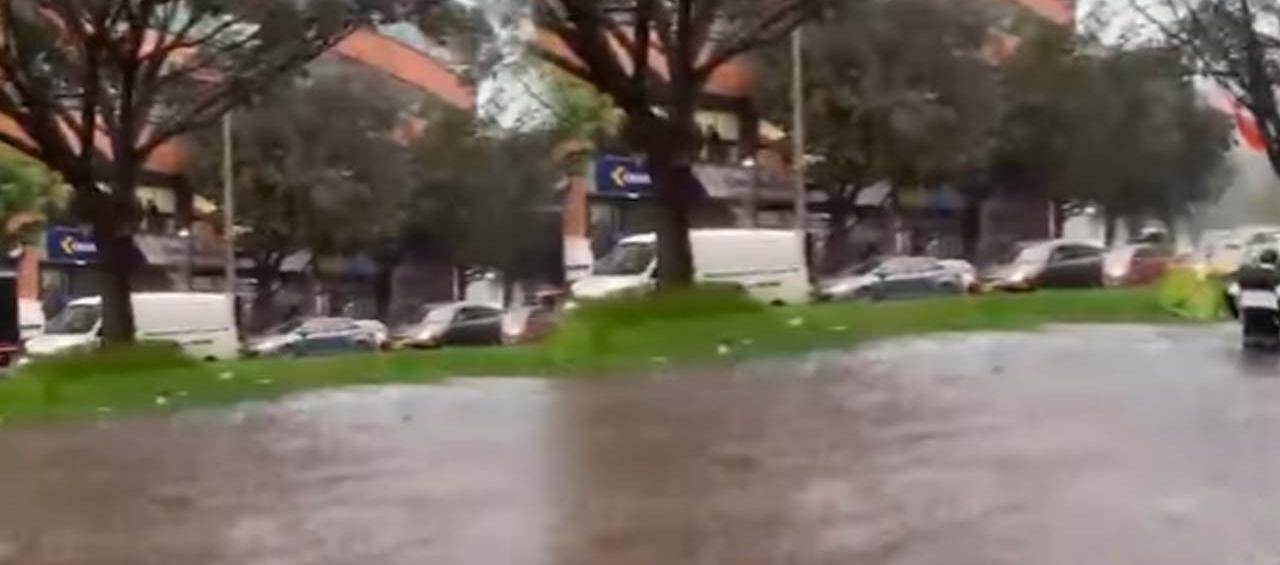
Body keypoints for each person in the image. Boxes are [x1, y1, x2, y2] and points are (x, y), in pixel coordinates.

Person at [1232, 249, 1280, 350]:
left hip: (1249, 315)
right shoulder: (1276, 277)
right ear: (1276, 261)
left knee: (1250, 349)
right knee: (1269, 350)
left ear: (1259, 260)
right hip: (1270, 317)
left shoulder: (1245, 275)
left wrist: (1236, 313)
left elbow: (1232, 292)